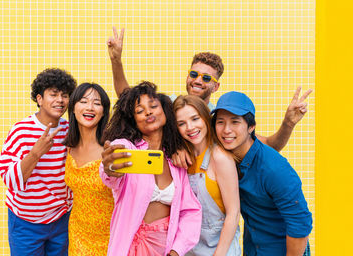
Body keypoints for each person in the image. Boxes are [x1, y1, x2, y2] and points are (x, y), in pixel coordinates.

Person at [106, 27, 312, 167]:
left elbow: (268, 145)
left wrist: (288, 123)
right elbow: (129, 99)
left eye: (206, 78)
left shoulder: (217, 118)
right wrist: (116, 61)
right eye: (194, 74)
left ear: (215, 86)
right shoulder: (168, 103)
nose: (197, 80)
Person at [99, 81, 202, 256]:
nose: (148, 111)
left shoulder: (176, 161)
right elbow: (111, 170)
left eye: (153, 106)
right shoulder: (127, 148)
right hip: (129, 247)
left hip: (165, 248)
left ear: (165, 111)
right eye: (139, 111)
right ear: (134, 121)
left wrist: (177, 250)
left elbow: (191, 211)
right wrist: (110, 167)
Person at [212, 91, 312, 255]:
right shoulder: (225, 156)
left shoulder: (274, 168)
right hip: (253, 249)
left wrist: (288, 124)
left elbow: (300, 224)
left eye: (235, 122)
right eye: (220, 122)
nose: (226, 130)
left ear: (251, 127)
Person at [0, 68, 76, 256]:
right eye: (53, 94)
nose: (60, 100)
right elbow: (10, 180)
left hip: (61, 219)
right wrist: (35, 153)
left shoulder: (70, 130)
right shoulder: (21, 130)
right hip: (25, 222)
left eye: (64, 95)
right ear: (39, 99)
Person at [173, 95, 241, 256]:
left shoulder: (220, 158)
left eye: (195, 119)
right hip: (190, 249)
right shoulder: (181, 158)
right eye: (181, 123)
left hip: (220, 249)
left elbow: (234, 213)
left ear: (205, 118)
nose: (190, 127)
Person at [62, 83, 113, 255]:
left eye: (97, 103)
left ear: (104, 111)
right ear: (73, 108)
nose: (90, 107)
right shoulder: (68, 147)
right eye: (83, 101)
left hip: (111, 239)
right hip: (78, 234)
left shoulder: (111, 149)